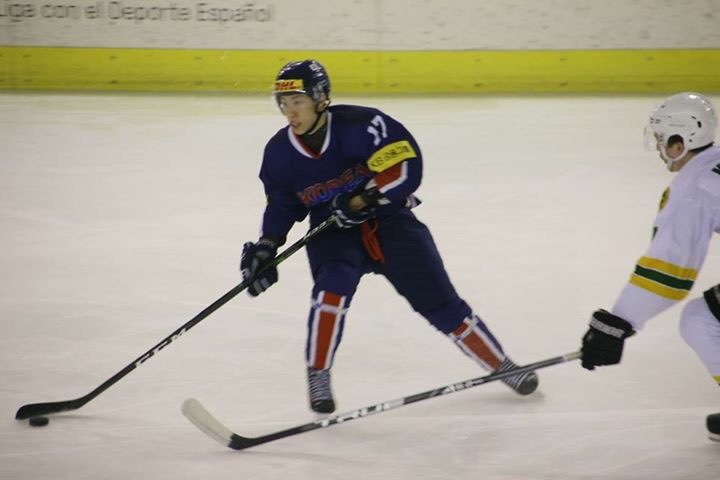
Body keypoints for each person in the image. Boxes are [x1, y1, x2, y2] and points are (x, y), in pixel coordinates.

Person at [240, 59, 538, 414]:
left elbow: (405, 168)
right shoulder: (278, 153)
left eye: (298, 102)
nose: (290, 112)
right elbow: (282, 204)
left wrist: (363, 198)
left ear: (321, 99)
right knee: (329, 293)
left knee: (441, 304)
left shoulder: (363, 125)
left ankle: (501, 365)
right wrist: (267, 245)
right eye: (284, 104)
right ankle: (318, 374)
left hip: (391, 222)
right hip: (332, 230)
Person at [579, 92, 720, 441]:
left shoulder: (696, 187)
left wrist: (618, 323)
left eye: (662, 140)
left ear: (680, 142)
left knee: (702, 321)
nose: (659, 148)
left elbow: (670, 272)